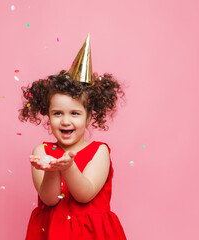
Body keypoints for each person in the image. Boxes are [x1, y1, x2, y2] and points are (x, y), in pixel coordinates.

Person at [19, 34, 128, 239]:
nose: (65, 121)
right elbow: (50, 200)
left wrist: (67, 167)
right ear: (48, 115)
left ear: (88, 118)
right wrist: (52, 170)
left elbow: (84, 195)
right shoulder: (42, 151)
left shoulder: (99, 151)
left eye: (75, 114)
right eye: (57, 113)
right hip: (52, 233)